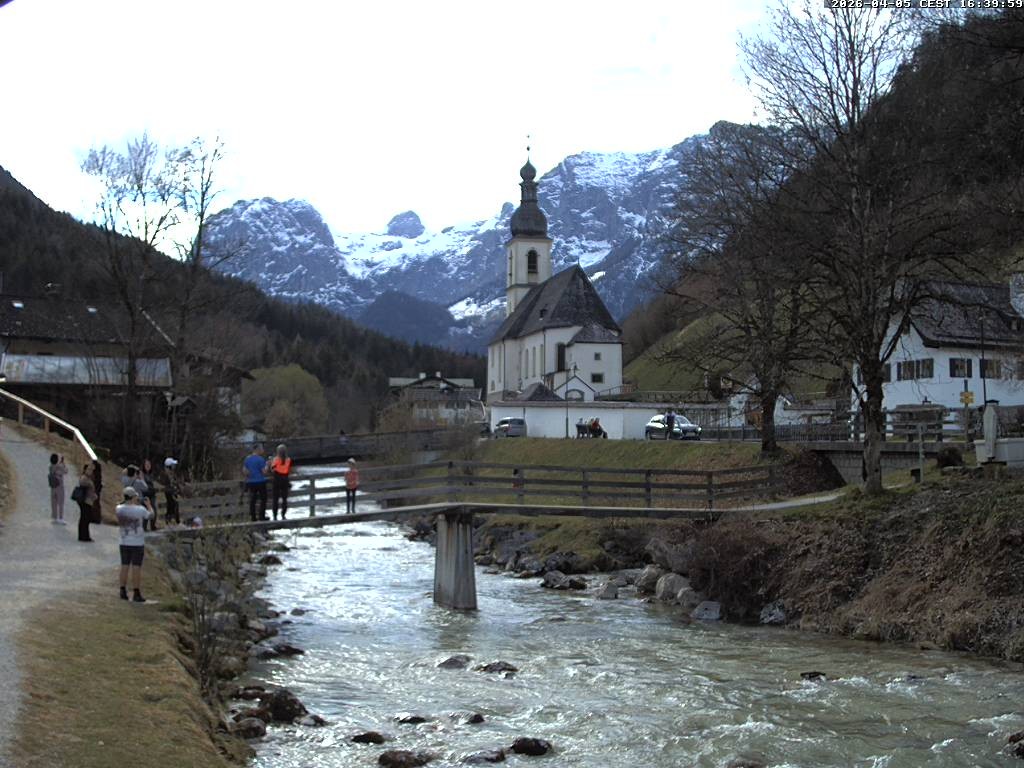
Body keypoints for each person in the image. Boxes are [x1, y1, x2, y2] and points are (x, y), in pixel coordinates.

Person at [116, 486, 152, 603]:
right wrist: (149, 505)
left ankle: (122, 590)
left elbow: (121, 504)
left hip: (124, 541)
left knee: (124, 566)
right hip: (137, 542)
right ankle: (136, 592)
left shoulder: (119, 509)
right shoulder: (140, 509)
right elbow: (151, 515)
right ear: (133, 497)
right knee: (136, 567)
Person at [121, 465, 154, 530]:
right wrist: (142, 478)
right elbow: (146, 488)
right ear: (135, 473)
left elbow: (123, 474)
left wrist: (127, 469)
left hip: (128, 501)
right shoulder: (138, 482)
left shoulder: (125, 480)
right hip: (138, 501)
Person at [243, 445, 269, 522]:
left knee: (252, 500)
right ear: (258, 449)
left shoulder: (247, 459)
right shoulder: (260, 459)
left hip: (251, 482)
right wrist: (267, 465)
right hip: (260, 481)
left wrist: (251, 474)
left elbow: (245, 471)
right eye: (261, 449)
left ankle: (253, 517)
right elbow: (264, 472)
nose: (262, 450)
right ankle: (261, 516)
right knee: (263, 499)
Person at [74, 463, 97, 542]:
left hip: (89, 501)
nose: (90, 471)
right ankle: (83, 536)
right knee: (84, 518)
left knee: (86, 519)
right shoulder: (84, 478)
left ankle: (85, 535)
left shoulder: (89, 478)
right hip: (85, 501)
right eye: (89, 470)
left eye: (91, 470)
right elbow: (83, 484)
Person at [269, 444, 292, 521]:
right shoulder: (288, 459)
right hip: (285, 480)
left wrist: (270, 462)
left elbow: (272, 470)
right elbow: (288, 470)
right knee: (284, 499)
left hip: (277, 479)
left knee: (275, 499)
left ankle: (275, 516)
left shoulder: (276, 460)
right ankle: (283, 515)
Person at [48, 453, 68, 524]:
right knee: (60, 502)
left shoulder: (50, 466)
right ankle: (61, 518)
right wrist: (63, 463)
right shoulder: (60, 466)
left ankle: (54, 517)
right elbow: (66, 471)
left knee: (53, 502)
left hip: (53, 486)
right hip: (59, 486)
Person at [140, 458, 160, 526]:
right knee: (145, 511)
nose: (148, 466)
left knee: (154, 510)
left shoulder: (151, 474)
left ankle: (153, 526)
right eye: (146, 465)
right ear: (144, 465)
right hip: (145, 494)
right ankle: (144, 527)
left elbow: (153, 484)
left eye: (149, 464)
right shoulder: (141, 474)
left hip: (152, 495)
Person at [162, 458, 181, 526]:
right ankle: (170, 522)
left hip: (173, 493)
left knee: (175, 507)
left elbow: (175, 483)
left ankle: (176, 521)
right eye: (172, 465)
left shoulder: (172, 474)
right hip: (169, 494)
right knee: (171, 507)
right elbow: (167, 486)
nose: (174, 467)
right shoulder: (166, 475)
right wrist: (173, 489)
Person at [91, 459, 104, 526]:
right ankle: (95, 517)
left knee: (94, 503)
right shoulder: (98, 472)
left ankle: (95, 518)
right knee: (96, 503)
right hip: (97, 488)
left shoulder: (95, 472)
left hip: (95, 488)